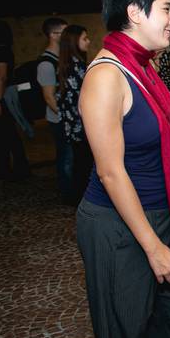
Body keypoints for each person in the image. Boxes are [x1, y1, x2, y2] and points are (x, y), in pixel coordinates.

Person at [76, 0, 170, 338]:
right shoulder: (106, 75)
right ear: (135, 12)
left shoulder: (145, 64)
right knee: (127, 333)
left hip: (165, 214)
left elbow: (163, 131)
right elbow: (110, 172)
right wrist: (152, 247)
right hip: (119, 226)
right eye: (166, 10)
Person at [0, 20, 31, 180]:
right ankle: (6, 166)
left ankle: (17, 168)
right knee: (4, 133)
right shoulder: (3, 48)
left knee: (6, 133)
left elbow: (1, 77)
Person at [57, 25, 93, 204]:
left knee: (80, 165)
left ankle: (77, 197)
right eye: (85, 38)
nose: (88, 42)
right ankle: (80, 199)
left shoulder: (66, 65)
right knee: (83, 166)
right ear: (74, 42)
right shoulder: (78, 67)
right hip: (82, 126)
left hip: (72, 126)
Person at [38, 17, 70, 199]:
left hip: (65, 118)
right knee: (65, 157)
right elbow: (49, 97)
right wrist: (66, 116)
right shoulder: (46, 63)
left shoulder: (61, 58)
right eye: (64, 33)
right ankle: (65, 192)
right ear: (53, 35)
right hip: (58, 119)